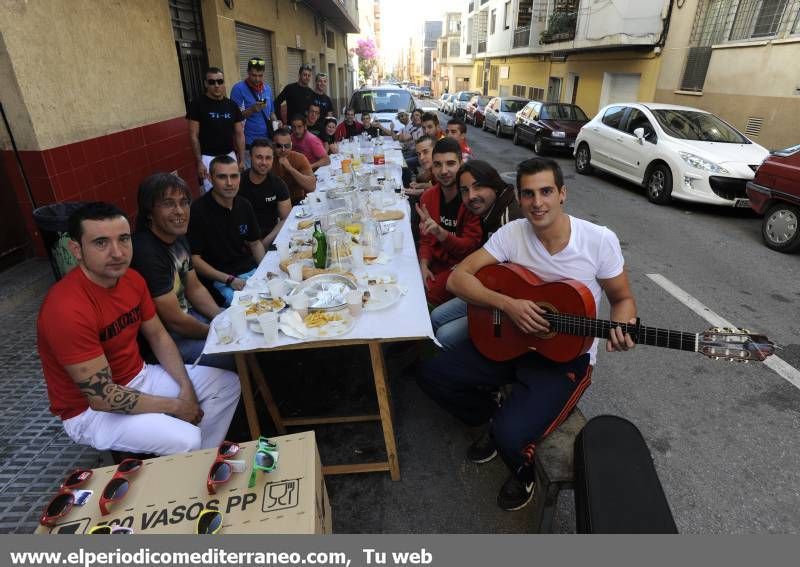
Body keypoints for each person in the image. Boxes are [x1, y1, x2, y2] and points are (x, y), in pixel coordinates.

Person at [418, 157, 637, 511]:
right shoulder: (512, 233)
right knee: (432, 374)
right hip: (509, 343)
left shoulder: (598, 241)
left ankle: (522, 472)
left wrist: (623, 326)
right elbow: (459, 278)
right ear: (519, 199)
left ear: (562, 193)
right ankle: (488, 412)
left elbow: (623, 299)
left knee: (511, 436)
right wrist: (507, 305)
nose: (538, 202)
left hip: (565, 358)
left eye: (546, 191)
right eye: (529, 194)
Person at [37, 202, 241, 455]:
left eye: (123, 239)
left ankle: (202, 463)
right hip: (89, 413)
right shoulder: (66, 309)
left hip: (140, 376)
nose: (117, 252)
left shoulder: (131, 279)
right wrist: (177, 406)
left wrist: (186, 387)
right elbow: (102, 397)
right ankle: (194, 463)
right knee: (187, 439)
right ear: (76, 250)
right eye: (101, 243)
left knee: (226, 384)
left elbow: (158, 336)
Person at [130, 173, 235, 371]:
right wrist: (218, 333)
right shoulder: (146, 252)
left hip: (192, 318)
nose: (180, 211)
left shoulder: (177, 236)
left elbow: (194, 288)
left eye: (184, 202)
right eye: (169, 204)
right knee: (235, 356)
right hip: (167, 340)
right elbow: (176, 322)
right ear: (149, 212)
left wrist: (221, 319)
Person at [429, 160, 524, 350]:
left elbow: (518, 282)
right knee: (436, 317)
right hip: (491, 288)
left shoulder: (508, 221)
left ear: (494, 185)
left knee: (444, 335)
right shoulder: (486, 212)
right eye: (464, 190)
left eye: (478, 187)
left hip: (509, 302)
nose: (471, 196)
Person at [188, 155, 266, 306]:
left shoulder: (244, 205)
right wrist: (229, 279)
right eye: (222, 177)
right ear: (210, 178)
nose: (229, 183)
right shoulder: (198, 211)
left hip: (248, 271)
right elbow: (194, 260)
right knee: (252, 309)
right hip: (219, 281)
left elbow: (255, 243)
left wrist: (265, 270)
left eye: (234, 176)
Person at [416, 137, 482, 306]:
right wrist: (423, 264)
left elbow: (469, 247)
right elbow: (425, 240)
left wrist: (441, 233)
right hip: (437, 265)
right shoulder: (428, 197)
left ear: (461, 163)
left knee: (425, 294)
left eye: (450, 163)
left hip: (464, 268)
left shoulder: (470, 199)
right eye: (437, 164)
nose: (444, 171)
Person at [187, 67, 245, 191]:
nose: (216, 85)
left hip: (230, 155)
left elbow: (239, 133)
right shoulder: (197, 105)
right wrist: (199, 162)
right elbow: (193, 135)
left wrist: (241, 160)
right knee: (212, 194)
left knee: (233, 190)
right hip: (208, 158)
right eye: (212, 82)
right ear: (206, 84)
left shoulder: (231, 105)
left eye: (220, 81)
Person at [238, 139, 292, 249]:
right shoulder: (237, 183)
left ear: (273, 159)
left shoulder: (278, 184)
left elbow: (286, 218)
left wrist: (265, 242)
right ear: (251, 158)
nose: (263, 162)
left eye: (268, 158)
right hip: (240, 243)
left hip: (269, 239)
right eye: (259, 157)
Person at [230, 57, 278, 166]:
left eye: (260, 75)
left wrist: (276, 126)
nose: (257, 79)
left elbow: (272, 113)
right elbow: (234, 117)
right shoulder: (238, 89)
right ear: (247, 72)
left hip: (268, 141)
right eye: (253, 75)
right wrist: (252, 109)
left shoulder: (267, 89)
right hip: (249, 144)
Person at [271, 128, 317, 204]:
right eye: (279, 146)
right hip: (274, 202)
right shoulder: (268, 160)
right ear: (273, 146)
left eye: (287, 146)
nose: (283, 150)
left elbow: (312, 187)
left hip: (297, 200)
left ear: (291, 145)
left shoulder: (299, 158)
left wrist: (290, 169)